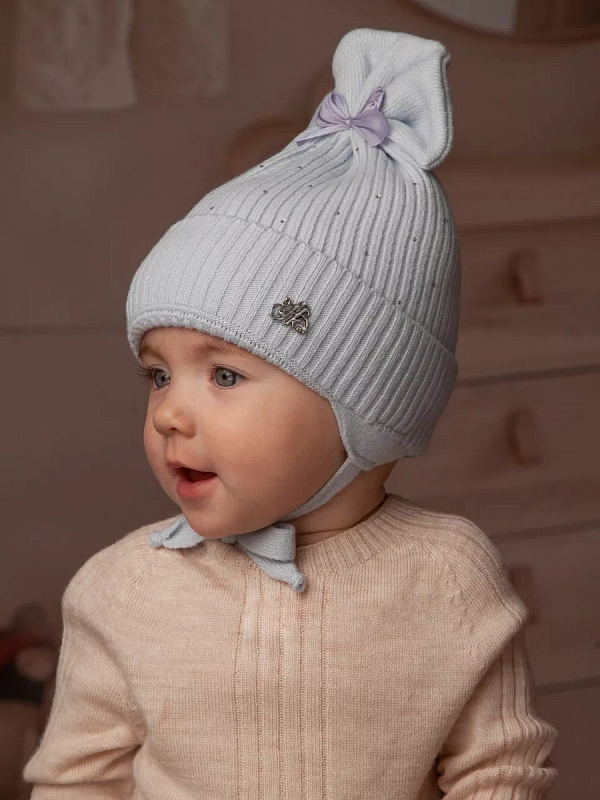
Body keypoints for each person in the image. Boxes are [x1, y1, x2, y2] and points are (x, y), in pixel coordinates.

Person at [23, 27, 559, 799]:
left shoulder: (446, 576)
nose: (170, 412)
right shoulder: (122, 590)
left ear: (363, 407)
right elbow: (76, 781)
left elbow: (501, 771)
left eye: (225, 375)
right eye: (158, 375)